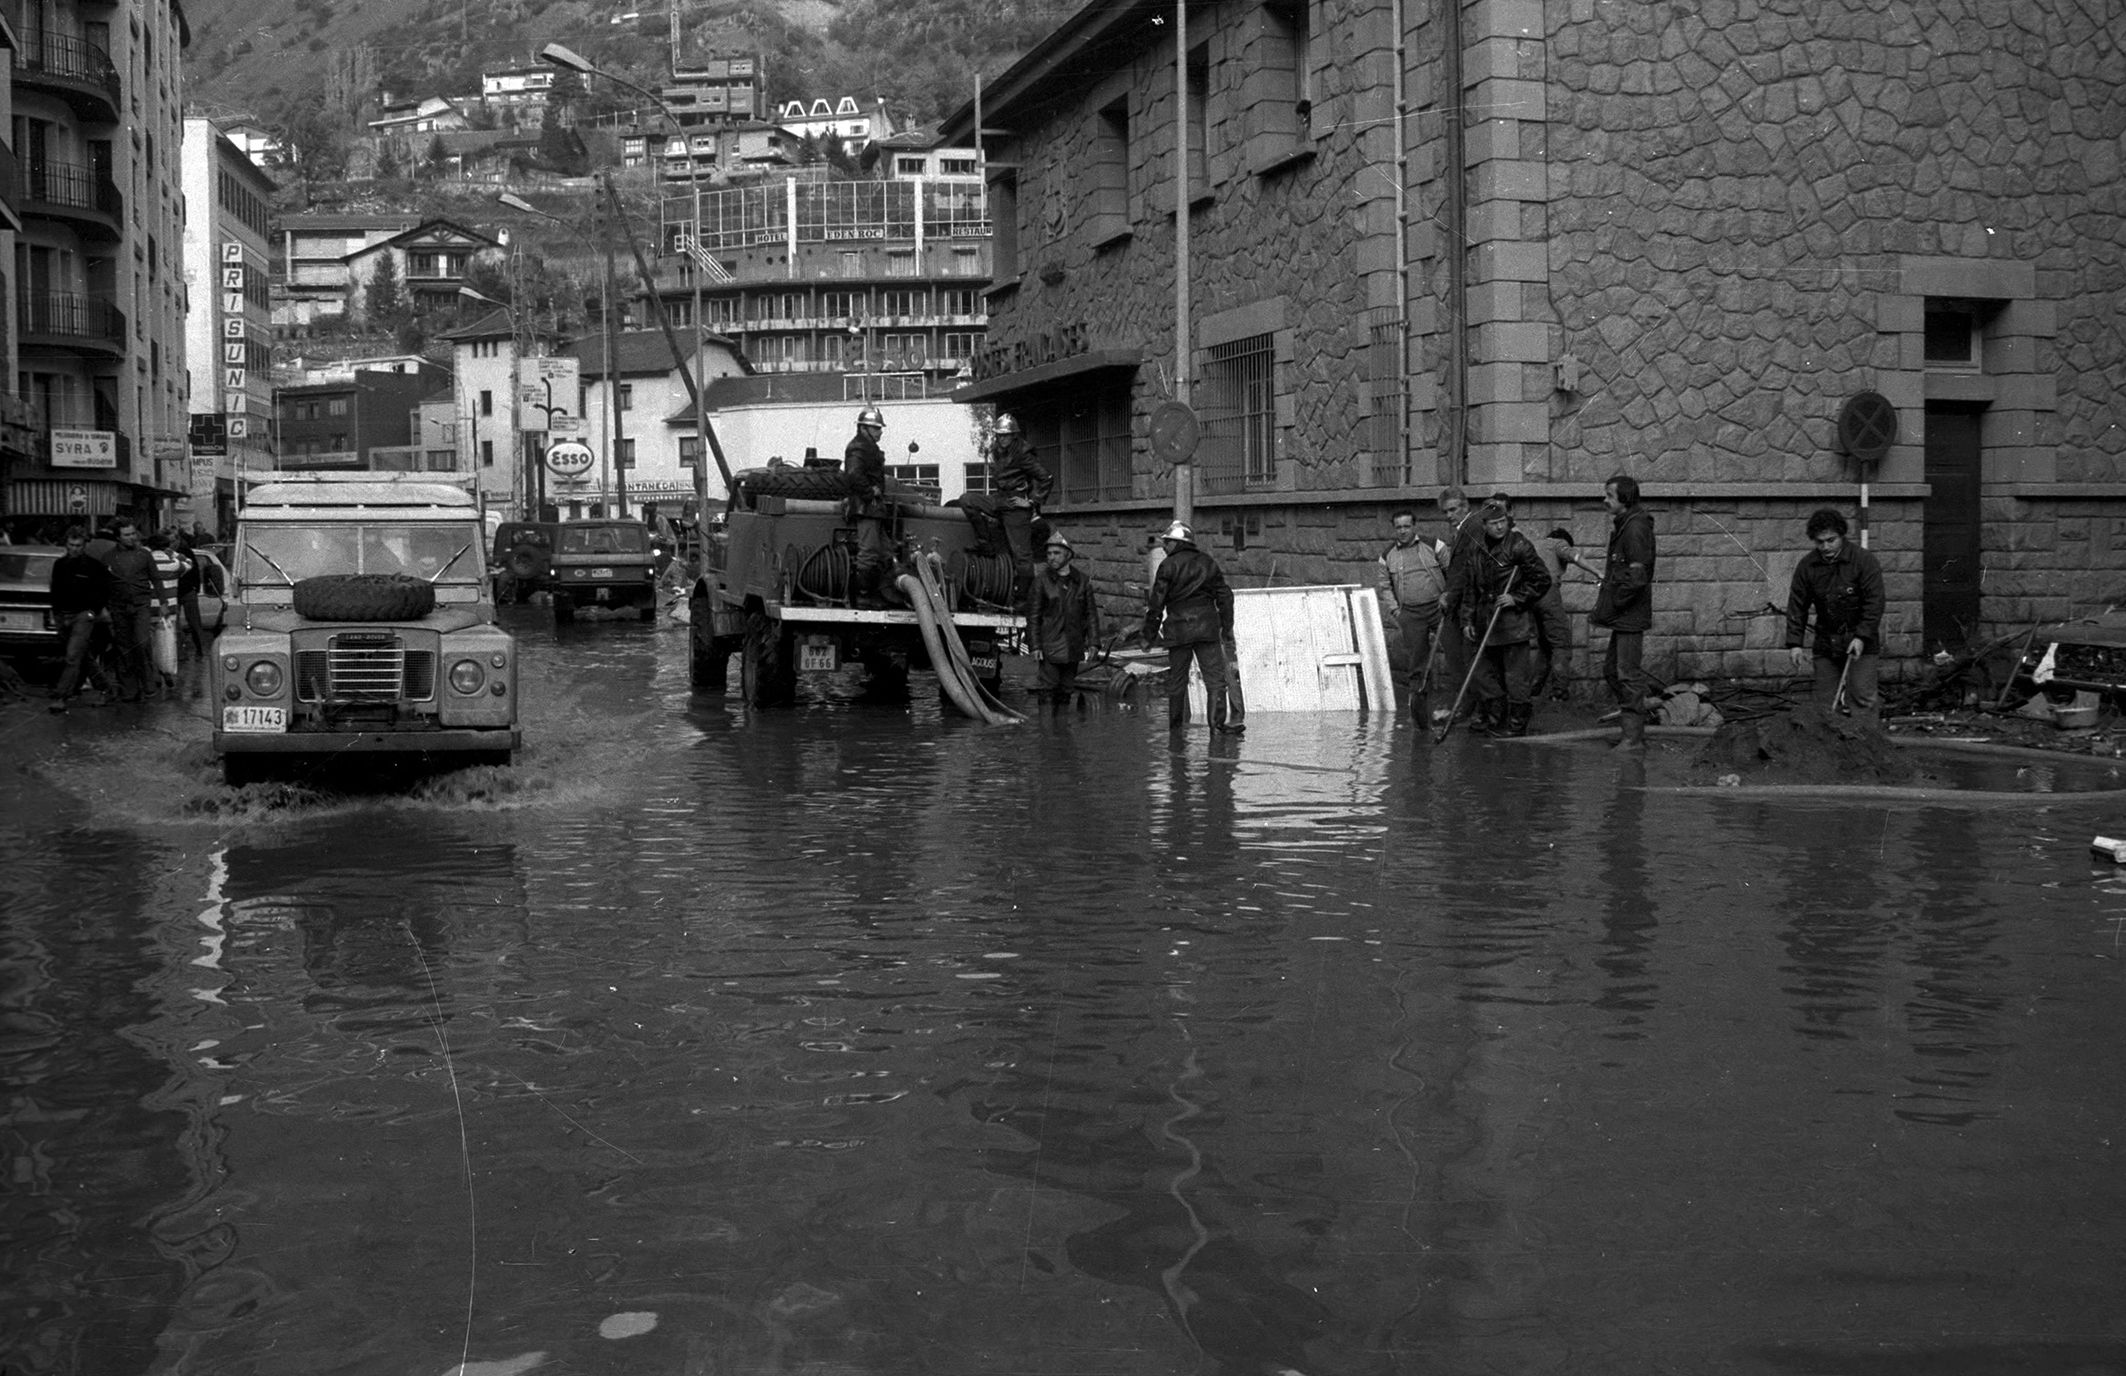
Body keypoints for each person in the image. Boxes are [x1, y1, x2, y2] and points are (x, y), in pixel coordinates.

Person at [1454, 500, 1552, 735]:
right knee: (1485, 673)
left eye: (1503, 522)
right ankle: (1496, 717)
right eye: (1494, 524)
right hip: (1485, 621)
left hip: (1512, 622)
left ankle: (1517, 725)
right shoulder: (1477, 549)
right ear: (1484, 525)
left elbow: (1541, 579)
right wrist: (1467, 620)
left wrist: (1516, 598)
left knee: (1515, 676)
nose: (1499, 528)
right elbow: (1470, 589)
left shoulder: (1519, 545)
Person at [1785, 507, 1886, 718]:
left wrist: (1861, 636)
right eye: (1820, 542)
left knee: (1862, 698)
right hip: (1825, 642)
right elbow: (1797, 605)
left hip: (1860, 641)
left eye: (1831, 540)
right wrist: (1795, 643)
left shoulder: (1864, 561)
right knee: (1825, 703)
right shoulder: (1807, 566)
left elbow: (1874, 603)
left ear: (1842, 535)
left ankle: (1864, 749)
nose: (1826, 546)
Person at [1144, 521, 1240, 734]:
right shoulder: (1207, 562)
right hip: (1207, 629)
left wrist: (1148, 636)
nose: (1164, 548)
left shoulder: (1168, 566)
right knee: (1215, 682)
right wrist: (1226, 627)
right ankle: (1216, 729)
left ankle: (1176, 733)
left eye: (1166, 543)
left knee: (1177, 683)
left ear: (1176, 543)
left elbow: (1156, 603)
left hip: (1178, 631)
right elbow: (1225, 596)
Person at [1591, 473, 1658, 750]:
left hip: (1629, 615)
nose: (1605, 500)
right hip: (1623, 615)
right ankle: (1636, 719)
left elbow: (1637, 578)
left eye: (1609, 495)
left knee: (1627, 675)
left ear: (1625, 499)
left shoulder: (1635, 529)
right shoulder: (1625, 526)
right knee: (1612, 670)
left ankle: (1633, 738)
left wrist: (1614, 602)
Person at [1377, 507, 1451, 724]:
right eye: (1398, 527)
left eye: (1406, 526)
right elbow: (1385, 586)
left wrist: (1448, 597)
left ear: (1414, 527)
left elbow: (1452, 574)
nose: (1402, 531)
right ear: (1394, 529)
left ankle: (1459, 707)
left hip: (1440, 610)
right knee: (1417, 663)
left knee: (1455, 654)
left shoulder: (1433, 546)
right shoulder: (1387, 556)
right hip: (1411, 614)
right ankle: (1420, 714)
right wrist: (1396, 611)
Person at [990, 413, 1055, 609]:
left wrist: (1031, 502)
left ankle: (1023, 599)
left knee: (1022, 556)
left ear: (1013, 436)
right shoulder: (998, 452)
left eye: (1006, 435)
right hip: (1001, 501)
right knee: (968, 502)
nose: (1002, 439)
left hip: (1017, 507)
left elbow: (1046, 477)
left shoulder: (1022, 453)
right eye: (999, 435)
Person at [1027, 531, 1099, 703]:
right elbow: (1033, 616)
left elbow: (1091, 614)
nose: (1052, 557)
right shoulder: (1041, 581)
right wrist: (1035, 646)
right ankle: (1047, 729)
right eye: (1049, 553)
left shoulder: (1082, 581)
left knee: (1066, 691)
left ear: (1068, 555)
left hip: (1073, 646)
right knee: (1047, 691)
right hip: (1049, 647)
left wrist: (1094, 642)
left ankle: (1061, 727)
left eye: (1057, 553)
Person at [100, 519, 163, 702]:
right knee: (124, 648)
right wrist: (104, 607)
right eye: (127, 535)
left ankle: (148, 684)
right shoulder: (109, 557)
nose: (131, 538)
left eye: (133, 533)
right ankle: (129, 690)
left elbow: (156, 579)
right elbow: (104, 585)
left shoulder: (144, 555)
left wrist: (163, 603)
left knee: (142, 644)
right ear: (118, 538)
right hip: (118, 608)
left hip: (141, 605)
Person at [47, 525, 109, 711]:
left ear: (84, 546)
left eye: (78, 545)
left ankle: (61, 696)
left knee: (72, 656)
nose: (74, 549)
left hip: (83, 616)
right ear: (66, 544)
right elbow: (55, 590)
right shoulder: (60, 565)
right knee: (82, 655)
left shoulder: (93, 566)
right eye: (71, 545)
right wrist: (56, 613)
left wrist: (93, 611)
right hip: (63, 615)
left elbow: (104, 590)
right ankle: (105, 687)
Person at [1432, 486, 1481, 723]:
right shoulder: (1464, 529)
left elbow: (1467, 569)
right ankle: (1467, 705)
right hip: (1459, 604)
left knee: (1464, 659)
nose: (1449, 516)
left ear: (1465, 506)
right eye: (1446, 512)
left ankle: (1470, 707)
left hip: (1465, 606)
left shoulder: (1472, 528)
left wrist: (1450, 594)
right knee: (1459, 658)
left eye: (1453, 510)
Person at [842, 405, 892, 603]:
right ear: (864, 429)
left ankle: (874, 593)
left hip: (872, 508)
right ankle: (863, 597)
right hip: (867, 507)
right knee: (869, 552)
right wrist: (870, 492)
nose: (880, 432)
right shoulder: (859, 447)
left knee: (883, 550)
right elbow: (854, 474)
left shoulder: (865, 447)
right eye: (876, 428)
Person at [1529, 527, 1583, 699]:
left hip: (1529, 596)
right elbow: (1570, 555)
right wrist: (1598, 572)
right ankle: (1559, 693)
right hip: (1548, 593)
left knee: (1545, 645)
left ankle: (1533, 692)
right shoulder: (1558, 543)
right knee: (1561, 643)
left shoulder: (1535, 545)